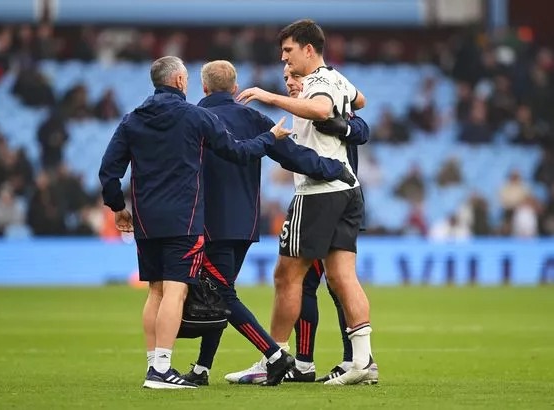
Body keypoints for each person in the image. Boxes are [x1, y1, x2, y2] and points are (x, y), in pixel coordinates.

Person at [99, 56, 292, 390]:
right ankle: (161, 369)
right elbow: (237, 151)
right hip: (183, 220)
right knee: (175, 290)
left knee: (155, 291)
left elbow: (108, 171)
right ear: (178, 82)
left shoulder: (132, 121)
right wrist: (270, 137)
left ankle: (154, 365)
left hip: (145, 220)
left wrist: (118, 207)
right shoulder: (196, 117)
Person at [178, 60, 358, 387]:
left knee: (219, 294)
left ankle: (275, 356)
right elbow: (293, 156)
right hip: (245, 225)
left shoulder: (194, 118)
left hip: (207, 224)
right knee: (219, 295)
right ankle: (202, 370)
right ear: (235, 89)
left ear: (203, 88)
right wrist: (335, 168)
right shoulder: (253, 118)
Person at [235, 19, 376, 386]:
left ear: (309, 50)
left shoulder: (318, 82)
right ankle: (362, 361)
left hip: (318, 192)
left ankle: (274, 358)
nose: (284, 59)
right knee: (342, 276)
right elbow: (359, 101)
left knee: (286, 276)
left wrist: (270, 96)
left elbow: (320, 110)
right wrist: (342, 113)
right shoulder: (335, 78)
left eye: (288, 51)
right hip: (348, 189)